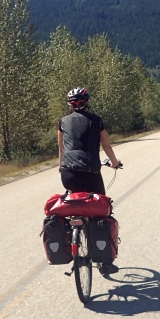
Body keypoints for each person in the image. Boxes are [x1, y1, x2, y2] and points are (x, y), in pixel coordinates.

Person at [58, 87, 122, 275]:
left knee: (74, 205)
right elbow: (106, 145)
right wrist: (115, 163)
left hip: (67, 173)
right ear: (87, 102)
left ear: (70, 105)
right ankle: (105, 262)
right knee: (101, 212)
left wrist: (61, 167)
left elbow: (61, 150)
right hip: (91, 172)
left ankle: (72, 243)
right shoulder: (96, 120)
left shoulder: (62, 122)